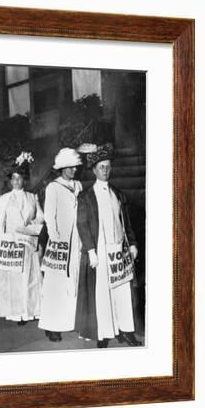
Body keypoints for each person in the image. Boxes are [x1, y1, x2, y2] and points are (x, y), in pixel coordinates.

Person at [75, 143, 142, 348]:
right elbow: (82, 224)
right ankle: (104, 333)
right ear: (94, 170)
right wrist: (91, 251)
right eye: (101, 167)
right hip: (101, 251)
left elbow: (125, 222)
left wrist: (132, 243)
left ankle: (126, 331)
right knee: (103, 293)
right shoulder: (86, 196)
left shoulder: (118, 194)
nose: (105, 170)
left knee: (122, 291)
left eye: (107, 166)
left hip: (119, 250)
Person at [38, 148, 83, 342]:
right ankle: (51, 326)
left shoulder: (78, 185)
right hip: (59, 242)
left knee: (72, 281)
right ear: (61, 167)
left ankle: (68, 322)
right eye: (69, 167)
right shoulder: (53, 187)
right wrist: (56, 238)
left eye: (75, 167)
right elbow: (49, 216)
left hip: (77, 241)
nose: (73, 170)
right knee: (55, 284)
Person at [0, 152, 44, 324]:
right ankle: (16, 313)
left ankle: (29, 311)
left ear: (25, 180)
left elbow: (41, 217)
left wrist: (31, 226)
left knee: (29, 279)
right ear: (10, 181)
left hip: (29, 244)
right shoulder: (4, 199)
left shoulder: (32, 197)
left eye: (20, 178)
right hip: (12, 245)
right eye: (13, 178)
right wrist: (2, 242)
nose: (16, 181)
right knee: (14, 281)